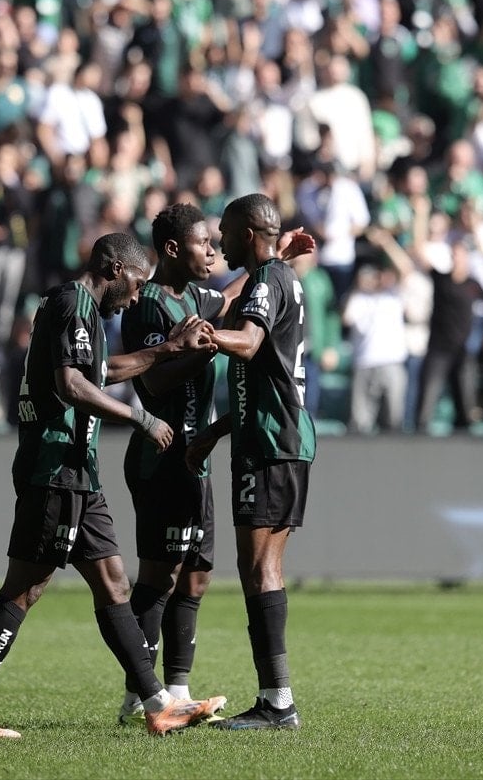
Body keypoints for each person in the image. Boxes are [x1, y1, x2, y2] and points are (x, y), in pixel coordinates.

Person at [0, 232, 226, 739]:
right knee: (24, 589)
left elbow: (102, 371)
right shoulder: (73, 303)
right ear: (114, 269)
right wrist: (140, 417)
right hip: (55, 469)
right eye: (136, 283)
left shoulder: (81, 309)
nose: (136, 296)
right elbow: (71, 385)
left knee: (114, 583)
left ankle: (158, 705)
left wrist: (165, 350)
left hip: (78, 473)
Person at [115, 203, 312, 725]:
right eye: (204, 242)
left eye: (217, 239)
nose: (213, 250)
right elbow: (154, 380)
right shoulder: (148, 304)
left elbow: (228, 303)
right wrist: (197, 345)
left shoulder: (200, 298)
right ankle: (140, 695)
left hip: (197, 455)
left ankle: (178, 690)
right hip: (160, 454)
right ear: (173, 249)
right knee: (161, 575)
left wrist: (272, 258)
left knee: (197, 576)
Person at [186, 193, 315, 730]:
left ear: (247, 233)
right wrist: (216, 433)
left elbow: (249, 342)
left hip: (270, 443)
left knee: (259, 568)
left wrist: (206, 336)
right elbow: (262, 376)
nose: (219, 241)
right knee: (260, 567)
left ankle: (277, 703)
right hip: (275, 436)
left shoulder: (268, 279)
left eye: (225, 232)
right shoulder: (276, 277)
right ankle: (275, 699)